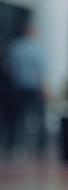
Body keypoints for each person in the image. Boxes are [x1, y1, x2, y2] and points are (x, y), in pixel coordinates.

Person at [4, 22, 48, 158]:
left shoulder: (15, 47)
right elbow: (41, 74)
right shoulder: (37, 49)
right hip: (33, 88)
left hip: (16, 87)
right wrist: (45, 90)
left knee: (16, 118)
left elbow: (7, 69)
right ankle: (40, 148)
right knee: (39, 118)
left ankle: (15, 146)